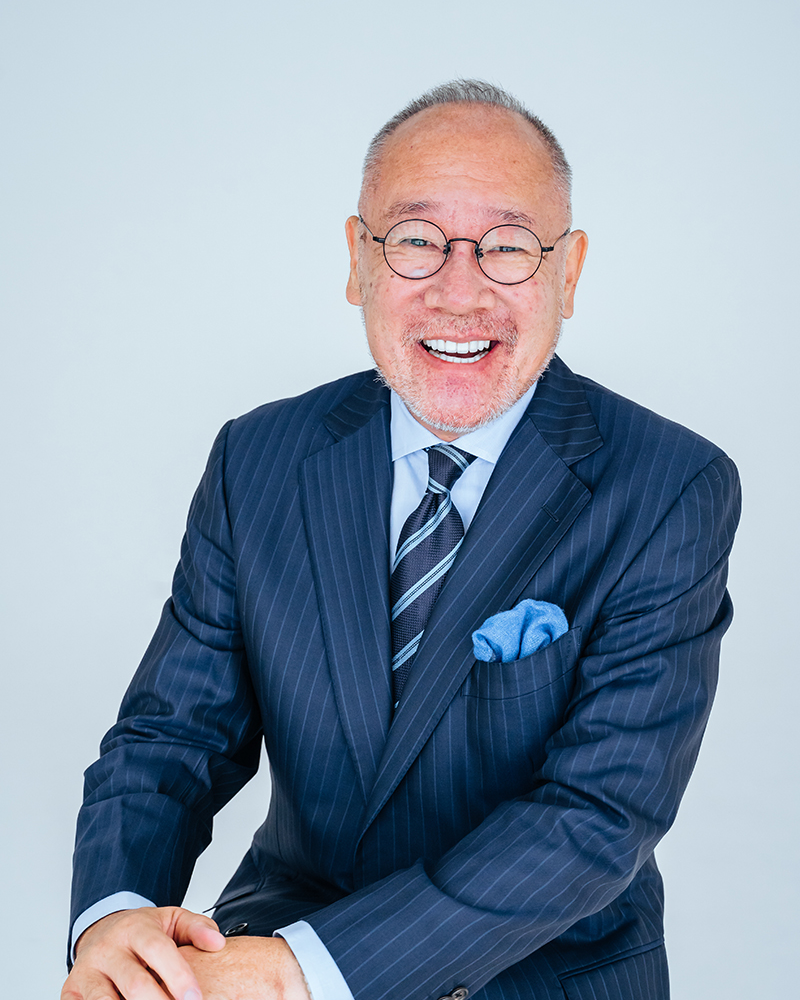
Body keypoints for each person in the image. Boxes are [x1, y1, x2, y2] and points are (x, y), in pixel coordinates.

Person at [62, 80, 740, 1000]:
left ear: (569, 273)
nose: (460, 292)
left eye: (508, 246)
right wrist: (114, 921)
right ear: (359, 260)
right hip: (272, 932)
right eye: (417, 240)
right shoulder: (257, 458)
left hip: (537, 974)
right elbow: (171, 737)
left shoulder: (671, 487)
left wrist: (304, 972)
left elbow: (596, 816)